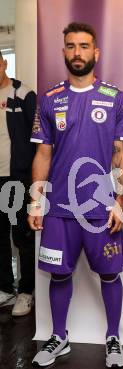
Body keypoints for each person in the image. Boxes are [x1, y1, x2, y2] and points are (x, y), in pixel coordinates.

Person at [28, 22, 123, 368]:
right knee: (59, 274)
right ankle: (60, 336)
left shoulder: (115, 97)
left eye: (84, 46)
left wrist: (119, 203)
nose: (77, 52)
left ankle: (113, 337)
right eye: (71, 46)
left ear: (96, 53)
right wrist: (35, 199)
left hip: (101, 209)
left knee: (109, 274)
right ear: (63, 52)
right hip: (59, 208)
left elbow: (120, 154)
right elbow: (43, 154)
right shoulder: (49, 99)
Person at [0, 50, 36, 316]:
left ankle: (26, 292)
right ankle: (5, 289)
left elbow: (37, 139)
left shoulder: (22, 94)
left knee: (21, 235)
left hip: (17, 177)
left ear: (3, 64)